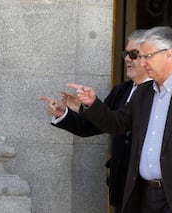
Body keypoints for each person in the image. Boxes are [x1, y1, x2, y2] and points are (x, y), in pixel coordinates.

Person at [66, 26, 172, 213]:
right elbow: (116, 123)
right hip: (144, 195)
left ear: (168, 55)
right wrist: (92, 103)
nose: (142, 63)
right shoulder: (143, 93)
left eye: (147, 56)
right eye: (140, 57)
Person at [39, 30, 151, 213]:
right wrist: (65, 112)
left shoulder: (159, 92)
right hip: (121, 186)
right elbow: (93, 126)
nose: (127, 59)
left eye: (133, 54)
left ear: (149, 57)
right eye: (126, 54)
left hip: (147, 188)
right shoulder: (121, 91)